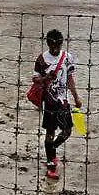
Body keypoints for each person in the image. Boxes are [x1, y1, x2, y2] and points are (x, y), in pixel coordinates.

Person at [33, 29, 82, 180]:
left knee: (67, 131)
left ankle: (52, 149)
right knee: (50, 132)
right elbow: (35, 79)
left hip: (63, 101)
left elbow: (70, 79)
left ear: (62, 43)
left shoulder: (68, 57)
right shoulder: (42, 59)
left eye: (58, 45)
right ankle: (50, 165)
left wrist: (76, 97)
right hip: (49, 102)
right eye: (52, 45)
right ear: (47, 43)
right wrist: (45, 77)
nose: (55, 48)